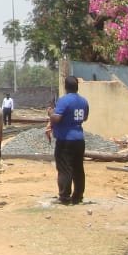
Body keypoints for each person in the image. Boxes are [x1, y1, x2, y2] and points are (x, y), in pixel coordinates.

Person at [48, 76, 90, 205]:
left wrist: (50, 113)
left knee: (64, 168)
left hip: (65, 140)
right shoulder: (84, 101)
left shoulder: (64, 100)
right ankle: (78, 196)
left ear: (66, 87)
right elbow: (85, 117)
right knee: (78, 168)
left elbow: (57, 119)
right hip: (79, 139)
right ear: (77, 87)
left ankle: (65, 197)